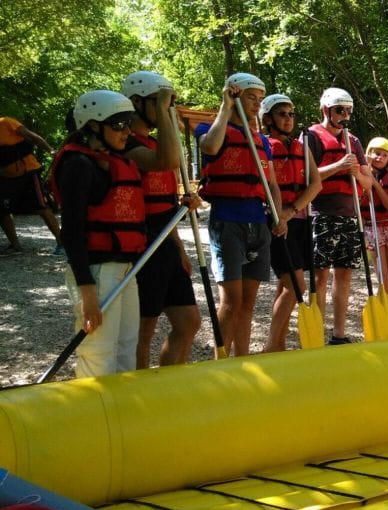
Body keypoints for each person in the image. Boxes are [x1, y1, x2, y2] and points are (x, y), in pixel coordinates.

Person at [50, 90, 146, 377]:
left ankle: (122, 416)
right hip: (97, 271)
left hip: (124, 268)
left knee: (126, 347)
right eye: (118, 125)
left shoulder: (110, 161)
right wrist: (87, 290)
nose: (126, 132)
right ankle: (94, 417)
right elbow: (72, 232)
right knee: (99, 351)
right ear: (93, 126)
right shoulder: (79, 165)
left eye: (129, 124)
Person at [196, 72, 285, 357]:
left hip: (257, 222)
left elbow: (271, 183)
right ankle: (220, 362)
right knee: (231, 301)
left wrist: (279, 216)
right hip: (227, 221)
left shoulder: (263, 142)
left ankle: (242, 358)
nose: (257, 104)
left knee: (248, 301)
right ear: (235, 96)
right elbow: (210, 146)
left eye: (260, 99)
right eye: (251, 97)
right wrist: (226, 105)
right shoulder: (208, 129)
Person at [121, 70, 200, 368]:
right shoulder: (125, 144)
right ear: (136, 104)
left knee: (189, 322)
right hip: (142, 244)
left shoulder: (156, 143)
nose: (165, 109)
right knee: (144, 329)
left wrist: (179, 248)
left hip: (164, 242)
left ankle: (169, 383)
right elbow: (167, 161)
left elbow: (165, 203)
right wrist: (168, 114)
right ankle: (139, 395)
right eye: (159, 102)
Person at [305, 87, 374, 345]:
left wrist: (355, 172)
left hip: (349, 215)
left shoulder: (353, 141)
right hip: (321, 213)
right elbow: (305, 176)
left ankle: (339, 332)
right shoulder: (311, 137)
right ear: (326, 110)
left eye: (348, 111)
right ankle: (316, 333)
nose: (345, 115)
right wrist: (338, 166)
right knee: (320, 274)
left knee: (344, 273)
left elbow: (367, 183)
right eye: (339, 110)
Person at [259, 94, 327, 352]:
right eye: (281, 114)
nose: (288, 119)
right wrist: (280, 215)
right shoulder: (264, 145)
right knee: (296, 286)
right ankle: (270, 346)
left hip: (297, 221)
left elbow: (316, 183)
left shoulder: (301, 146)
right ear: (268, 119)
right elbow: (267, 185)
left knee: (286, 285)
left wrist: (292, 210)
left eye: (291, 114)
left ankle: (279, 342)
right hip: (274, 221)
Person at [0, 115, 62, 255]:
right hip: (5, 177)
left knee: (40, 206)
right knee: (1, 210)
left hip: (28, 171)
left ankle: (62, 242)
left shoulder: (6, 122)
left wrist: (50, 150)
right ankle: (15, 246)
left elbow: (31, 136)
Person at [361, 136, 388, 315]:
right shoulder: (359, 175)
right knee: (382, 276)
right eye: (376, 154)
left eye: (385, 155)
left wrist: (375, 184)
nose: (380, 158)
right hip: (372, 227)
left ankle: (387, 307)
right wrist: (366, 178)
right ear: (368, 154)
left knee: (385, 277)